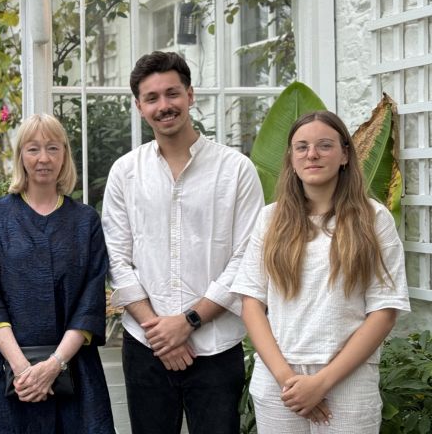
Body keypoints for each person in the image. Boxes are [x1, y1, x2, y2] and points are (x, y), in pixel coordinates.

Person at [101, 50, 264, 433]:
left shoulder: (236, 170)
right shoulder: (125, 172)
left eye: (172, 93)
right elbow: (115, 258)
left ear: (190, 95)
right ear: (139, 106)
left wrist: (189, 321)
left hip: (217, 347)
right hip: (146, 348)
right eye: (152, 98)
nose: (164, 106)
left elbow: (247, 258)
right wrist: (160, 332)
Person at [231, 111, 410, 433]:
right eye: (301, 147)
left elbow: (384, 311)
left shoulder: (374, 219)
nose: (311, 154)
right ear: (291, 158)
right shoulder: (269, 220)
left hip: (349, 381)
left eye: (324, 145)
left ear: (344, 154)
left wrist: (321, 383)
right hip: (278, 382)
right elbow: (251, 303)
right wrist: (290, 382)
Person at [0, 114, 115, 433]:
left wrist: (54, 365)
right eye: (33, 149)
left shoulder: (85, 222)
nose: (43, 158)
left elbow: (90, 302)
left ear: (65, 155)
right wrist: (22, 370)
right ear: (21, 157)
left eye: (53, 148)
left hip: (72, 374)